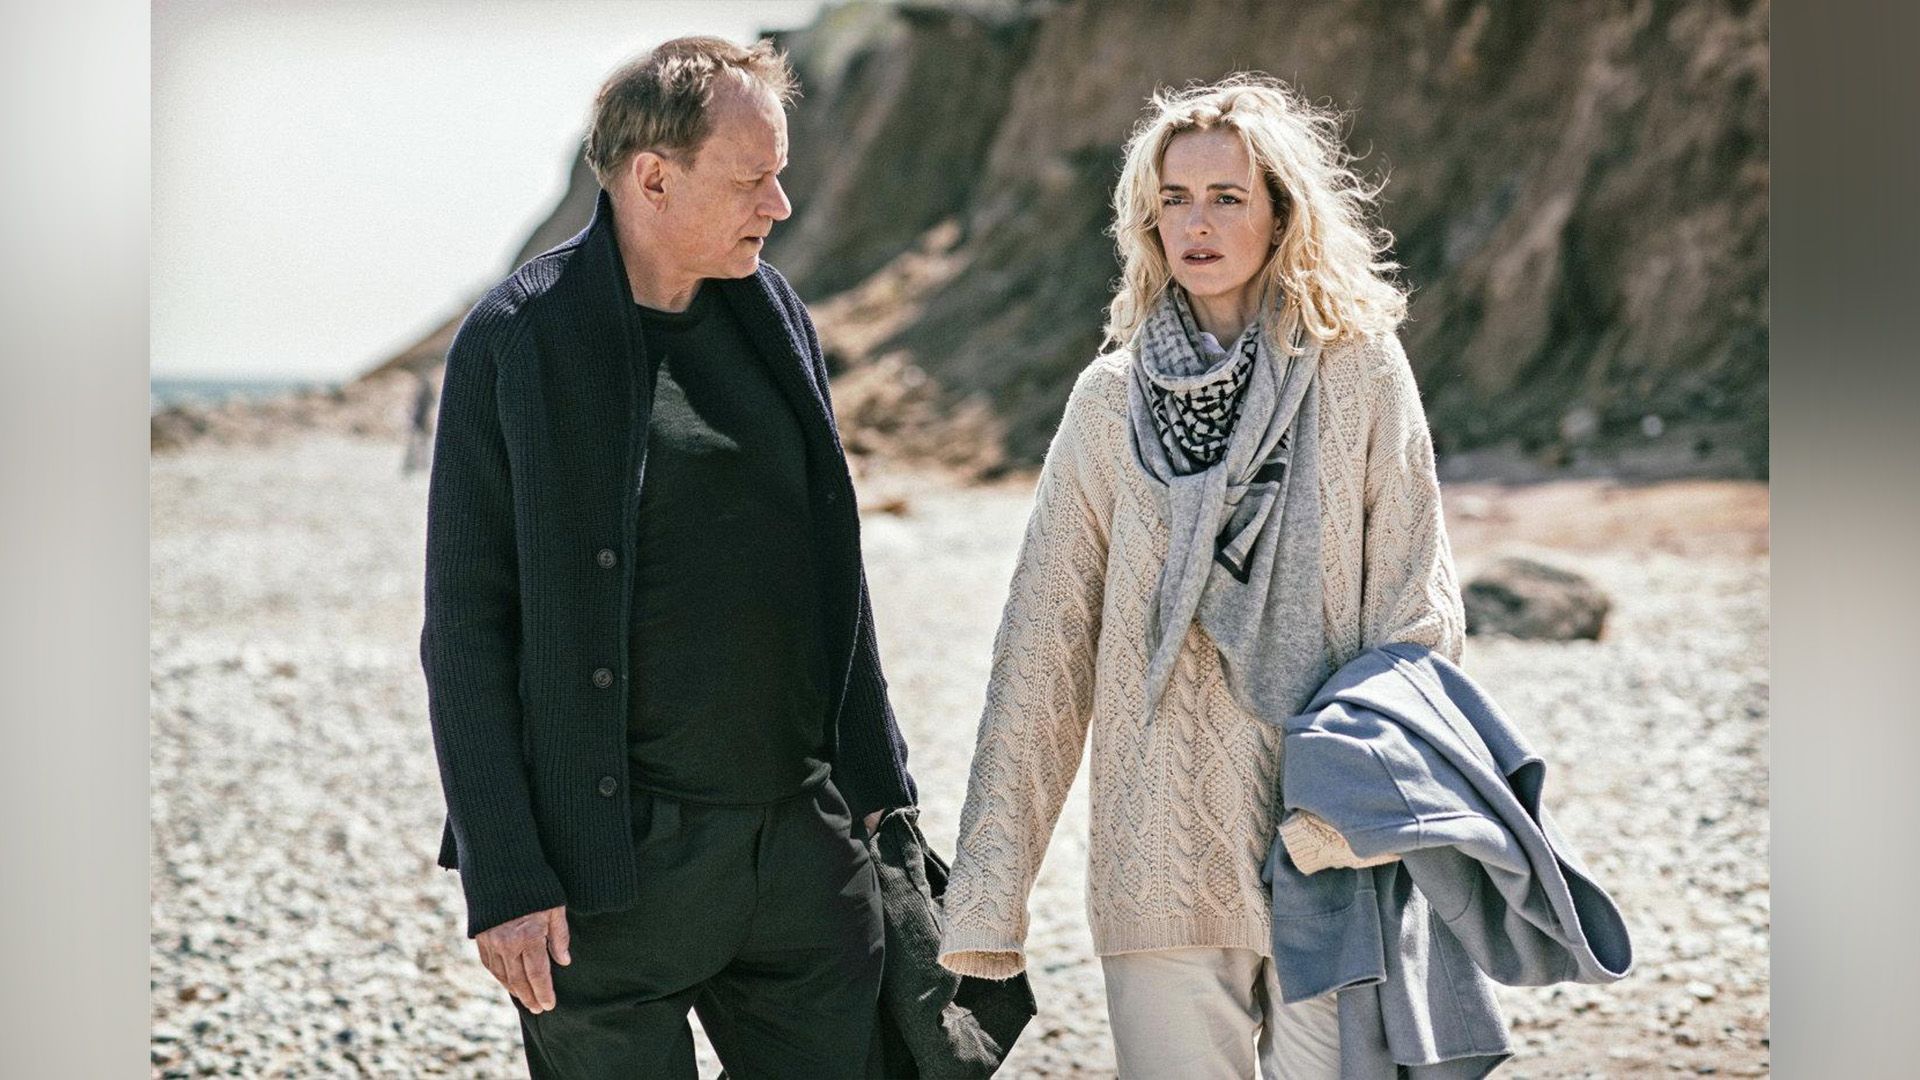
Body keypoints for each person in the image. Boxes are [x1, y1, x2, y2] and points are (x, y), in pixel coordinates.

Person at [937, 74, 1465, 1079]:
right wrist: (990, 895)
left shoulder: (1360, 373)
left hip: (1330, 842)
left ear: (1281, 210)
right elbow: (1044, 647)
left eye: (1226, 195)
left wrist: (1357, 808)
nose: (1198, 221)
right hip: (1160, 851)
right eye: (1173, 198)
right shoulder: (1106, 404)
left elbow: (1419, 606)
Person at [420, 36, 916, 1079]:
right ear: (653, 176)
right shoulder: (517, 341)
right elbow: (466, 627)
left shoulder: (775, 315)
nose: (779, 204)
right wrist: (505, 874)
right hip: (608, 874)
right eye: (752, 178)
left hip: (801, 851)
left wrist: (882, 796)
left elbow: (834, 574)